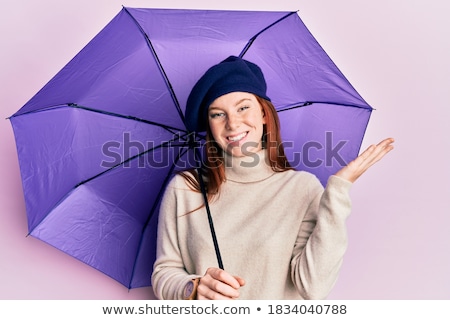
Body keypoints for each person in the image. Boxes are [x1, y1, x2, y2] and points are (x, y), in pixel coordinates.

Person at [151, 56, 394, 300]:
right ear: (209, 126)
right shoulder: (185, 189)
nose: (233, 123)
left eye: (243, 107)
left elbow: (314, 288)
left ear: (265, 114)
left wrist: (338, 192)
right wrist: (193, 288)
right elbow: (165, 272)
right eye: (217, 114)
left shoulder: (303, 188)